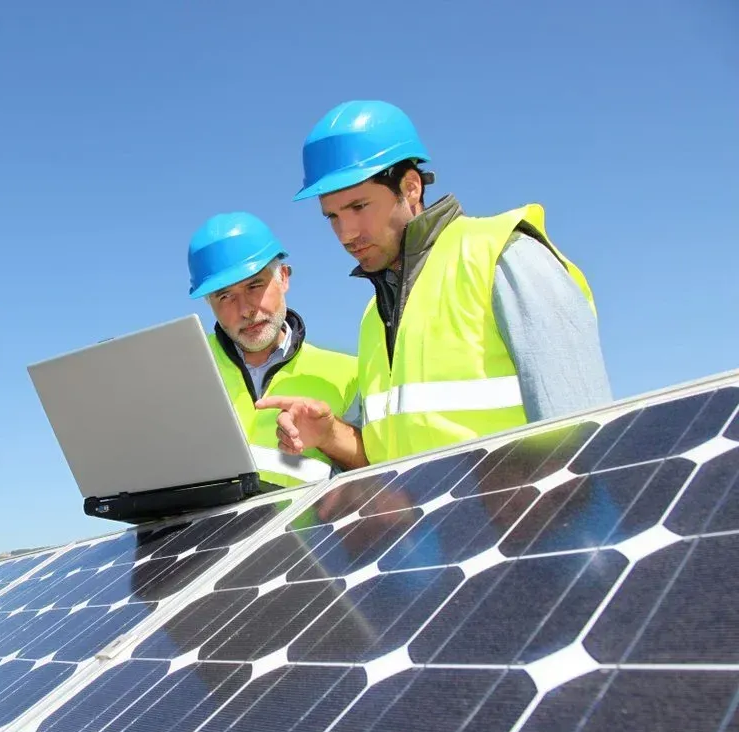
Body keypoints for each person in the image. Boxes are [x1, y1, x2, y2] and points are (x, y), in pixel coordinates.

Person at [259, 99, 612, 467]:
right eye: (332, 216)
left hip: (529, 521)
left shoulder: (502, 256)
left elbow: (585, 443)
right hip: (427, 526)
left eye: (359, 207)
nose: (346, 234)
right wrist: (331, 435)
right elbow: (385, 466)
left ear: (411, 188)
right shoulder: (373, 317)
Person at [187, 211, 363, 487]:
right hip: (194, 531)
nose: (245, 310)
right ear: (209, 302)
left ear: (283, 277)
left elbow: (384, 476)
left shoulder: (350, 374)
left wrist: (331, 436)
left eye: (254, 286)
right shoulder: (184, 369)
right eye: (225, 296)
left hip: (305, 531)